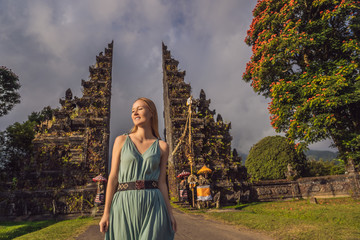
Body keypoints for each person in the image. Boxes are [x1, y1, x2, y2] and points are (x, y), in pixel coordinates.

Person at [99, 97, 176, 239]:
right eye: (133, 110)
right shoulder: (121, 141)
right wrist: (106, 213)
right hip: (123, 203)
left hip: (153, 203)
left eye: (140, 108)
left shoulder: (162, 146)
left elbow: (162, 183)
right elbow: (113, 177)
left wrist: (170, 214)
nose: (135, 113)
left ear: (151, 112)